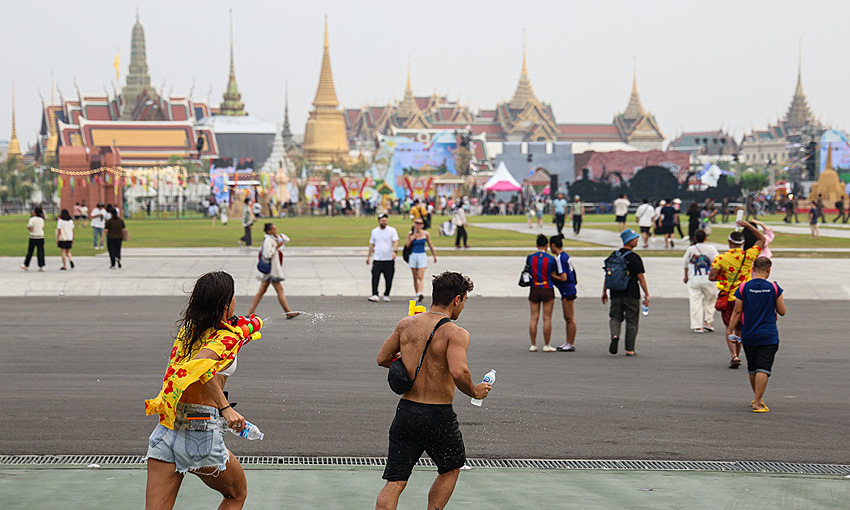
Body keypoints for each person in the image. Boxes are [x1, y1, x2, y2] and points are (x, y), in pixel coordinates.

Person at [375, 271, 489, 510]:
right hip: (438, 415)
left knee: (395, 481)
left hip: (406, 411)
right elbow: (459, 373)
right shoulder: (455, 333)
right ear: (457, 299)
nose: (463, 307)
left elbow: (383, 358)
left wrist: (405, 362)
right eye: (465, 301)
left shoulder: (406, 325)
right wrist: (475, 392)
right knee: (450, 468)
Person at [144, 271, 254, 509]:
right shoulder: (223, 339)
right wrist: (226, 409)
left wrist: (242, 334)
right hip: (199, 430)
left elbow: (198, 359)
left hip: (167, 428)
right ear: (226, 304)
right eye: (234, 296)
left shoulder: (188, 332)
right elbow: (201, 365)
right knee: (236, 494)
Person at [726, 257, 786, 413]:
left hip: (749, 333)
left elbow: (737, 311)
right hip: (768, 334)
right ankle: (758, 402)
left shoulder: (743, 287)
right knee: (763, 368)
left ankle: (757, 397)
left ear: (753, 268)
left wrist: (730, 329)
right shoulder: (773, 288)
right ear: (769, 270)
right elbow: (782, 311)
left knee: (752, 368)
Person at [709, 221, 765, 369]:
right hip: (745, 297)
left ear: (729, 242)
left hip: (729, 298)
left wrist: (722, 276)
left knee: (729, 327)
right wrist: (749, 226)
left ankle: (733, 355)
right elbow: (762, 240)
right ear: (743, 243)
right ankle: (738, 354)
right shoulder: (748, 255)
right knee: (740, 328)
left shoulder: (720, 258)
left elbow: (712, 276)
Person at [602, 229, 650, 356]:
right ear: (629, 240)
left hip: (615, 292)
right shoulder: (634, 258)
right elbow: (641, 277)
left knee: (615, 317)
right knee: (632, 320)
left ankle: (615, 335)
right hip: (631, 293)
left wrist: (604, 291)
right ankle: (629, 348)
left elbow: (608, 275)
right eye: (635, 239)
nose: (637, 240)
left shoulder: (614, 255)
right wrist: (646, 293)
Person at [247, 223, 300, 319]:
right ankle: (288, 312)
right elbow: (267, 254)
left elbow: (287, 239)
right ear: (269, 231)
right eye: (273, 229)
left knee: (262, 291)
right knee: (279, 290)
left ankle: (250, 313)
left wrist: (278, 237)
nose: (275, 231)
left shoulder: (273, 239)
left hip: (270, 271)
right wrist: (276, 247)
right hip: (272, 271)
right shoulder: (268, 241)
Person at [526, 234, 563, 352]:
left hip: (534, 287)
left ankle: (533, 344)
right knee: (547, 318)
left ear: (536, 245)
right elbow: (554, 273)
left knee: (533, 318)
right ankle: (546, 344)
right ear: (547, 245)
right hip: (547, 287)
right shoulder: (551, 259)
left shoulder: (530, 257)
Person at [683, 229, 718, 333]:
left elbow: (685, 264)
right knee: (710, 300)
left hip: (694, 280)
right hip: (709, 280)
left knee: (695, 302)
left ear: (694, 238)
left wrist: (686, 276)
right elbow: (717, 263)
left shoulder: (690, 249)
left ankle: (698, 326)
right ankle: (708, 321)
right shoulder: (711, 249)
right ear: (705, 238)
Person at [549, 235, 578, 352]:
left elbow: (564, 277)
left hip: (567, 290)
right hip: (569, 288)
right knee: (568, 317)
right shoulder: (565, 255)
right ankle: (568, 341)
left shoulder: (560, 258)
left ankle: (570, 343)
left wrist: (552, 276)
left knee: (569, 318)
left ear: (552, 245)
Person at [367, 213, 400, 302]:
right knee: (375, 277)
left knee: (389, 278)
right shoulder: (374, 231)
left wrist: (394, 251)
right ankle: (375, 294)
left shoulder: (392, 230)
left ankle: (386, 294)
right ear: (379, 221)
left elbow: (395, 242)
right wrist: (368, 256)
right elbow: (372, 244)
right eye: (382, 220)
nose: (384, 222)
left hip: (389, 259)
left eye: (385, 220)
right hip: (378, 258)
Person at [405, 218, 437, 302]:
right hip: (413, 255)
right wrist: (412, 239)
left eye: (420, 223)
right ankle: (417, 294)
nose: (418, 225)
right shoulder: (411, 233)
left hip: (421, 255)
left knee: (420, 275)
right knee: (415, 277)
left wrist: (434, 255)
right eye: (417, 223)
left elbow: (430, 244)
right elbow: (407, 245)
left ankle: (420, 292)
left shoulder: (425, 233)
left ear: (422, 225)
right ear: (414, 224)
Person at [21, 206, 46, 272]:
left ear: (35, 212)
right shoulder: (41, 219)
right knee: (40, 252)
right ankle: (41, 266)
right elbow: (43, 228)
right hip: (41, 236)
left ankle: (26, 265)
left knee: (30, 252)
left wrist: (28, 228)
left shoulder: (32, 219)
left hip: (33, 237)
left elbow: (31, 229)